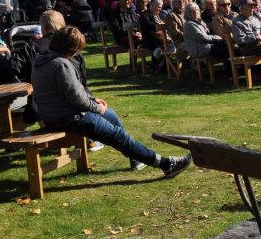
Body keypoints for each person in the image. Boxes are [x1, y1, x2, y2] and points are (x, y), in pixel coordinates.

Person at [32, 27, 191, 176]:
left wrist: (93, 100)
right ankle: (165, 164)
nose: (77, 53)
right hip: (66, 118)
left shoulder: (43, 60)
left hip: (57, 115)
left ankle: (136, 158)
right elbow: (76, 98)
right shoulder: (60, 64)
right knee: (117, 135)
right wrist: (96, 107)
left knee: (112, 116)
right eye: (77, 49)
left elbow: (70, 92)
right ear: (69, 48)